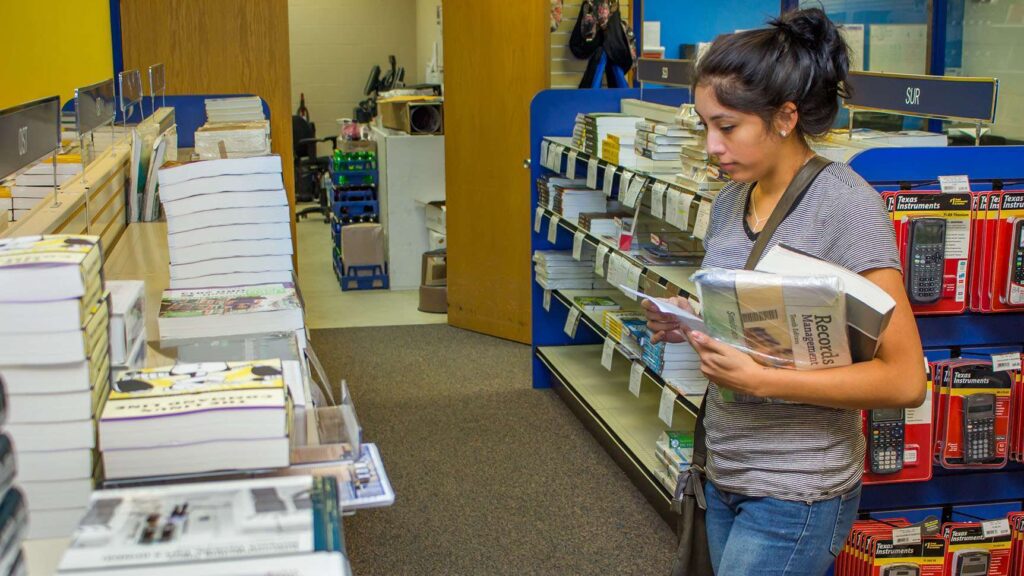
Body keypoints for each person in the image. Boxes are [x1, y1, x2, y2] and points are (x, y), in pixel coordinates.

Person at [641, 8, 926, 576]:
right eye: (703, 126)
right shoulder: (730, 199)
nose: (711, 145)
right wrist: (693, 319)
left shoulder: (844, 205)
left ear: (784, 117)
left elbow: (905, 378)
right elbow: (757, 317)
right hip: (725, 470)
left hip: (799, 489)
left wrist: (763, 380)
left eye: (727, 127)